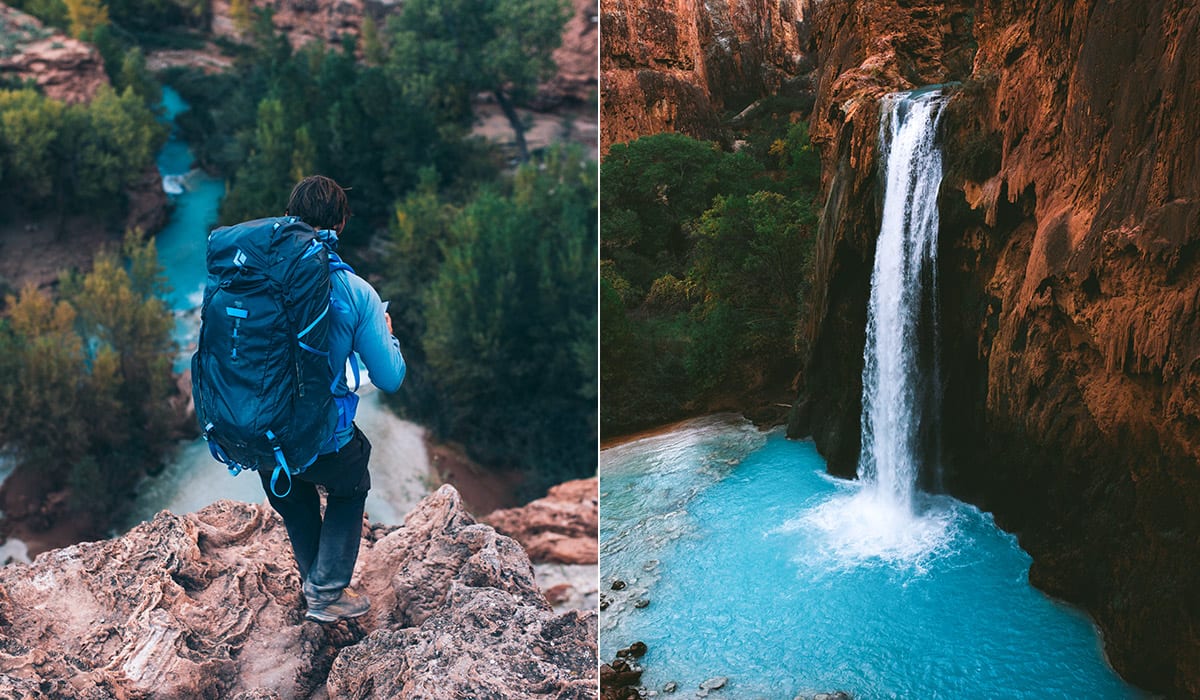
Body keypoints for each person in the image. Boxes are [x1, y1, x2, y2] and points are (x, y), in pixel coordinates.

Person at [262, 174, 406, 623]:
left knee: (292, 495)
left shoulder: (251, 275)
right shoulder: (354, 291)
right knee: (350, 482)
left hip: (258, 431)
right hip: (320, 434)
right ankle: (324, 592)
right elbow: (390, 378)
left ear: (289, 217)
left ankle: (315, 584)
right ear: (340, 224)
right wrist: (389, 335)